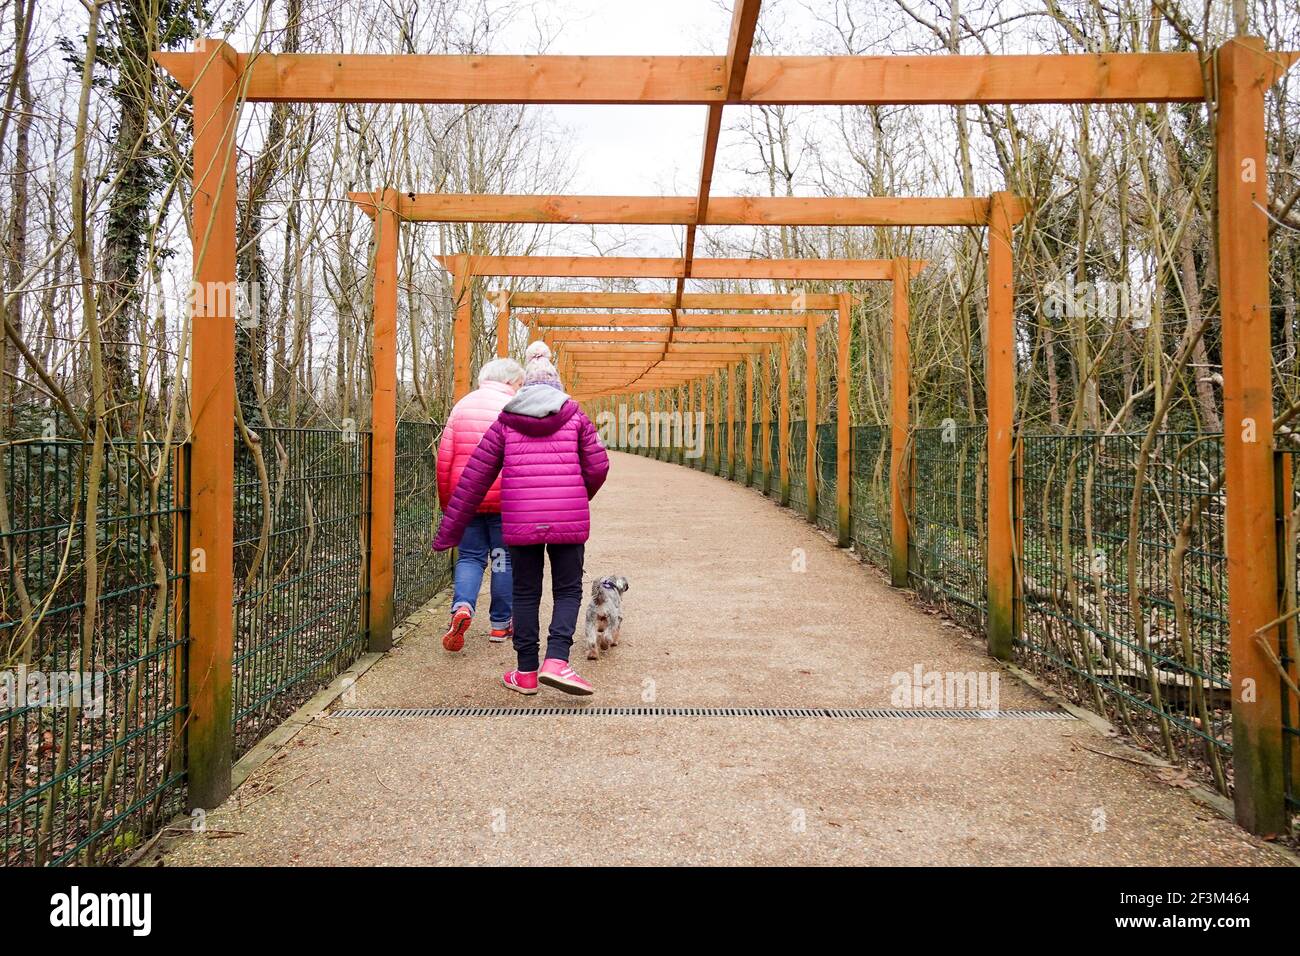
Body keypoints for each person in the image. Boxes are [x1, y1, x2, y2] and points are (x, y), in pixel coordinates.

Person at [433, 341, 609, 695]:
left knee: (526, 592)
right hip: (568, 520)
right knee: (568, 590)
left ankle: (526, 672)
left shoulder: (506, 421)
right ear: (557, 386)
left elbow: (475, 477)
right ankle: (557, 661)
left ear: (525, 385)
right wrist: (579, 494)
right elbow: (599, 465)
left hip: (520, 520)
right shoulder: (575, 415)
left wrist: (449, 530)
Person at [435, 357, 526, 652]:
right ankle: (500, 626)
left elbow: (445, 457)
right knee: (502, 559)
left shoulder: (462, 406)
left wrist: (449, 503)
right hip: (505, 499)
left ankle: (462, 607)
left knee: (470, 558)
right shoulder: (515, 408)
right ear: (511, 381)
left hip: (468, 497)